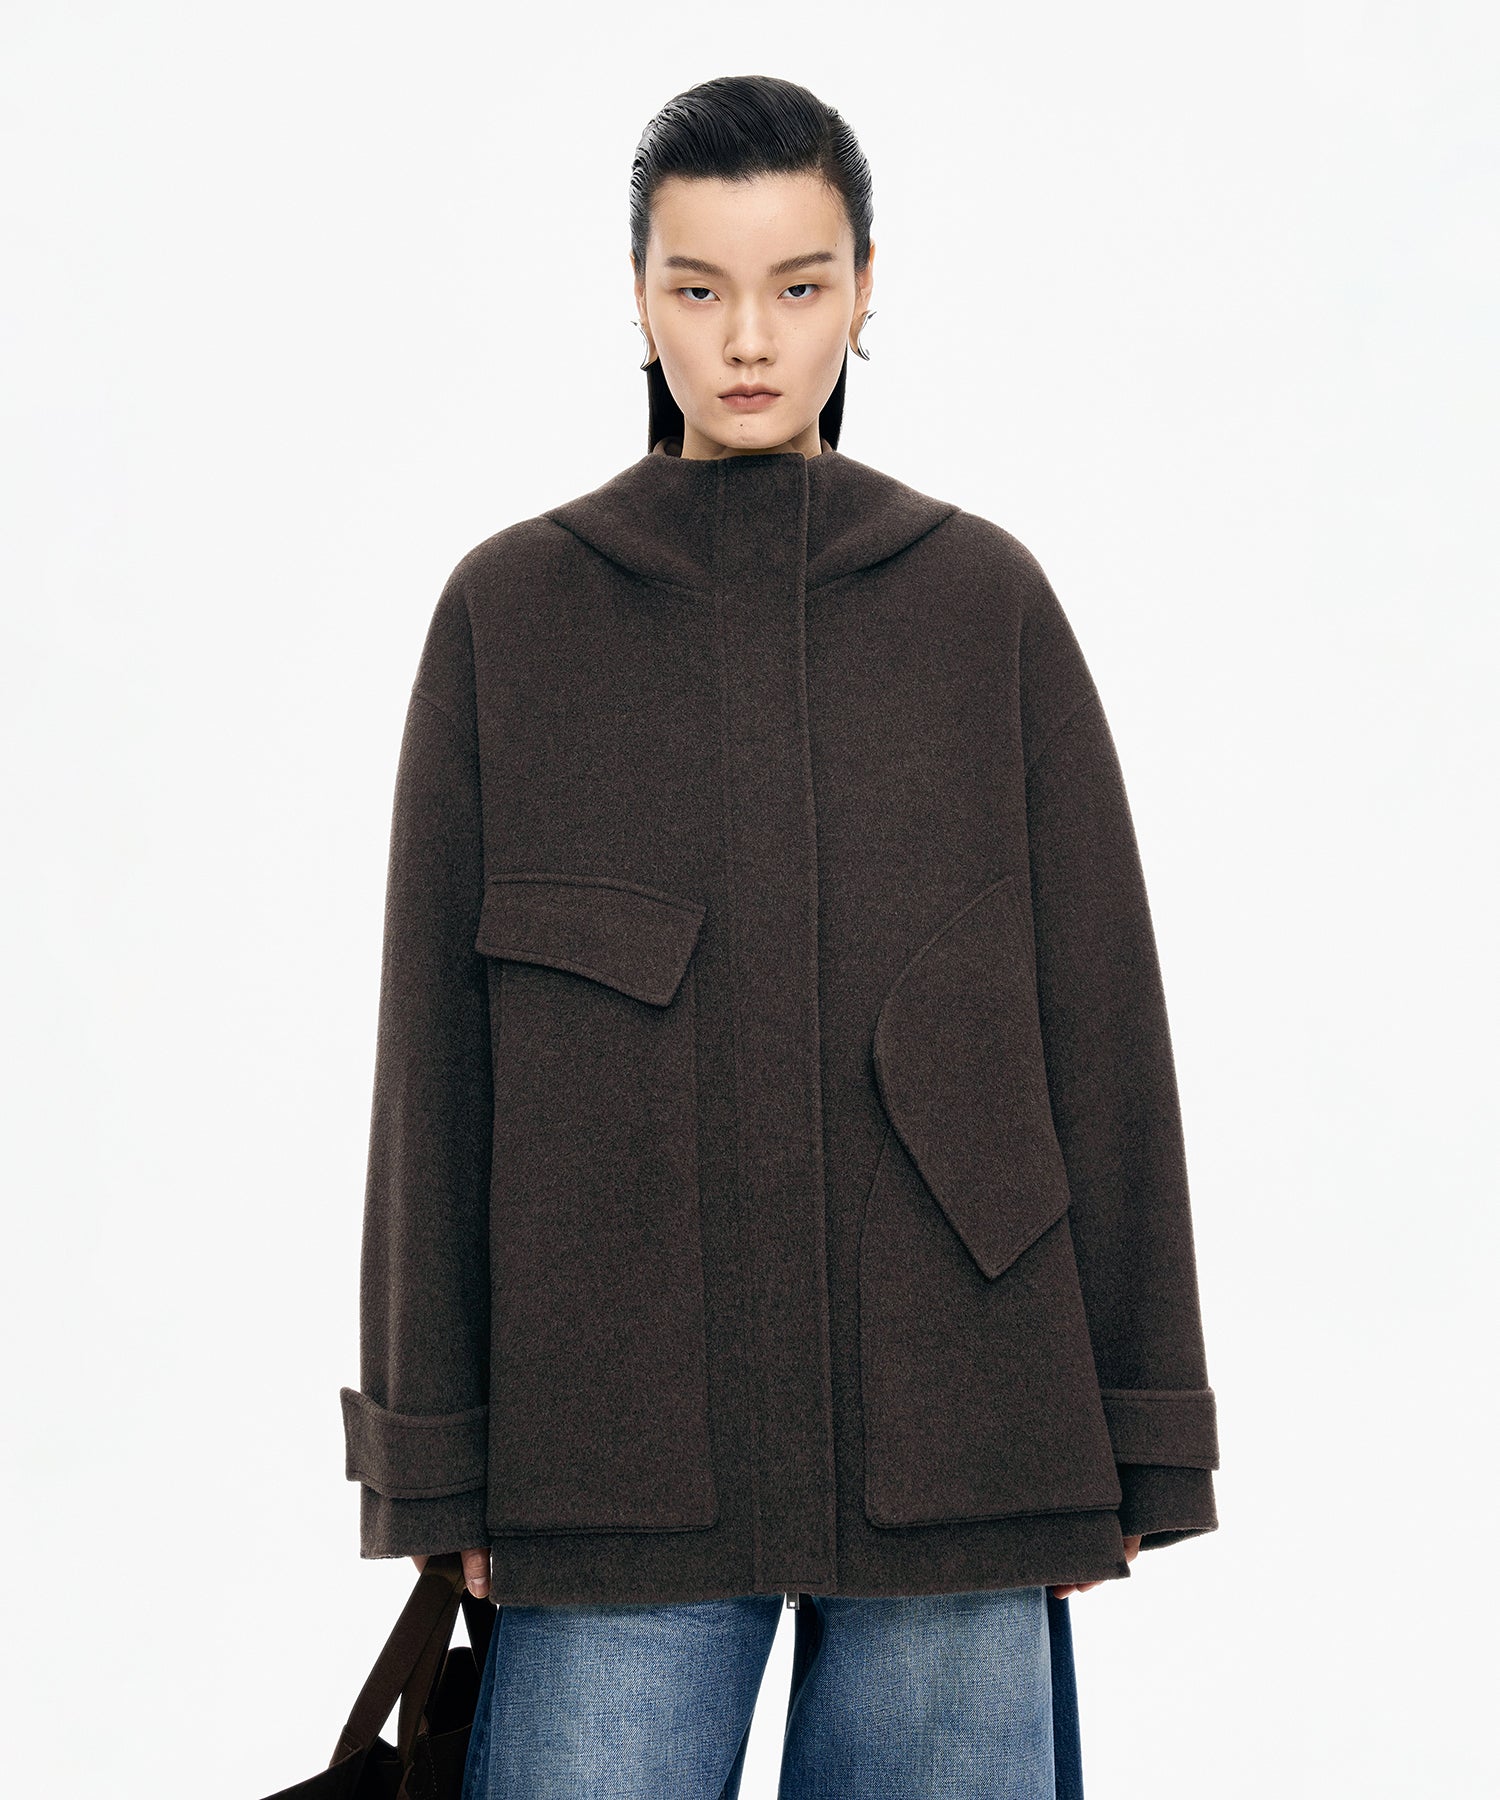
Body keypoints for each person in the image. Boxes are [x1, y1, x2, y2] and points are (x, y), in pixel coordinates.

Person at [339, 73, 1220, 1800]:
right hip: (607, 1460)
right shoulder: (511, 616)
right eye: (700, 286)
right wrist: (435, 1466)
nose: (749, 338)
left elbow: (1103, 1030)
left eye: (799, 284)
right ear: (638, 295)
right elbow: (431, 1076)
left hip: (962, 1434)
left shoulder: (983, 604)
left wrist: (1129, 1436)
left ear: (866, 289)